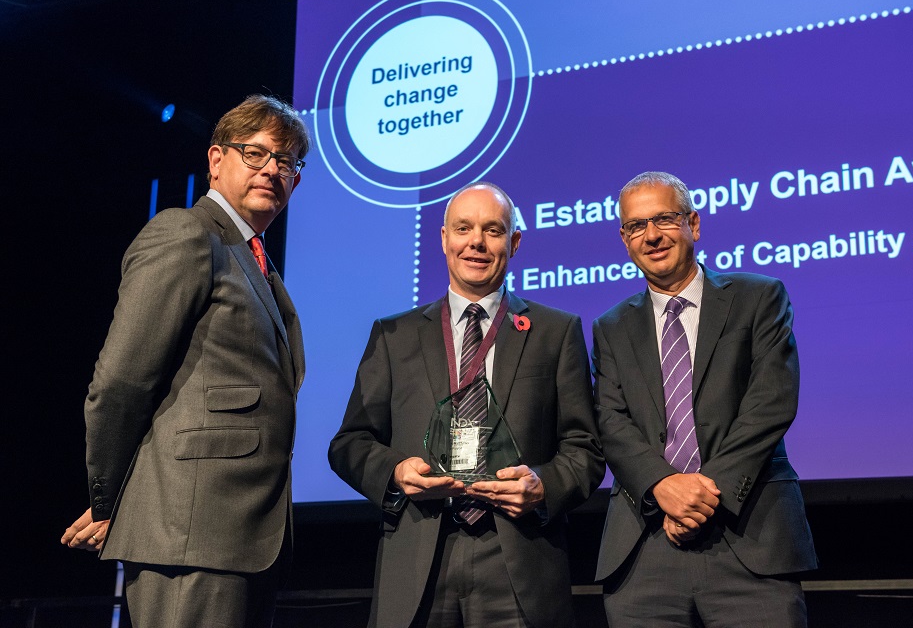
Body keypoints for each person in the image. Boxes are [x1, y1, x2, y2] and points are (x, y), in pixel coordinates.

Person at [61, 94, 309, 628]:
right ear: (216, 160)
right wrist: (109, 503)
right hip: (192, 535)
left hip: (240, 536)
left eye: (286, 161)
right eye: (256, 153)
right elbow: (121, 382)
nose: (272, 169)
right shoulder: (186, 233)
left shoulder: (258, 262)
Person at [329, 182, 604, 628]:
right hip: (420, 554)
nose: (476, 241)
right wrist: (396, 472)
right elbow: (350, 443)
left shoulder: (556, 332)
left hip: (518, 554)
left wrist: (543, 486)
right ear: (443, 239)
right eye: (463, 228)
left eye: (492, 230)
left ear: (514, 243)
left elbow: (585, 448)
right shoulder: (393, 335)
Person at [593, 171, 817, 627]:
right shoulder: (610, 327)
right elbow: (610, 422)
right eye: (636, 226)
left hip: (749, 535)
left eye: (664, 220)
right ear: (624, 238)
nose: (651, 236)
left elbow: (771, 403)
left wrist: (697, 496)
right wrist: (663, 487)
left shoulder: (759, 297)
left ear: (693, 224)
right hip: (645, 544)